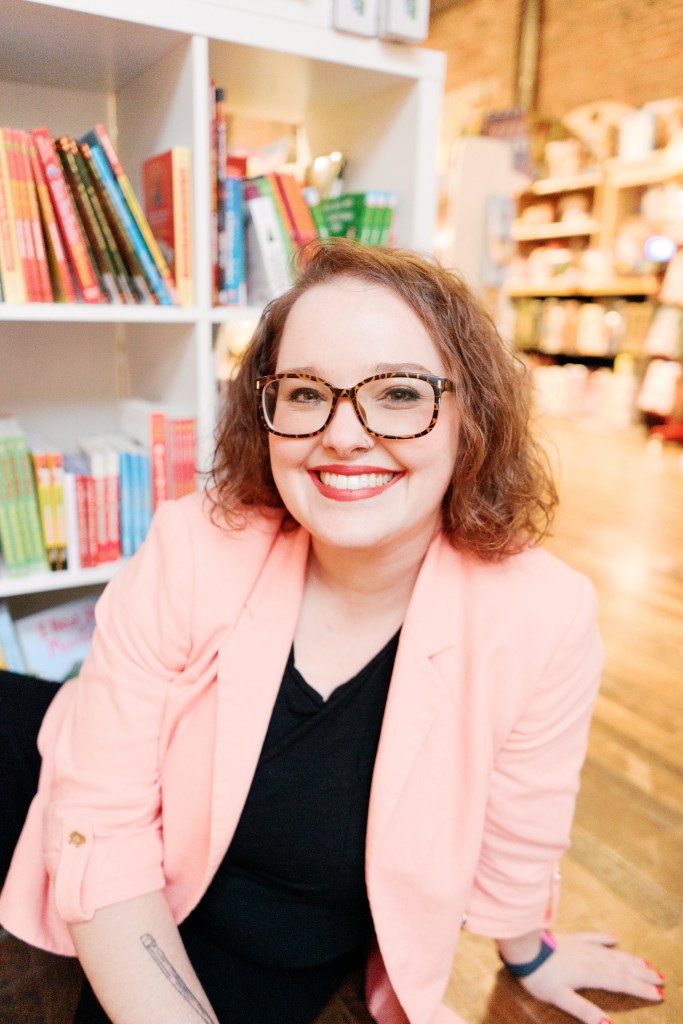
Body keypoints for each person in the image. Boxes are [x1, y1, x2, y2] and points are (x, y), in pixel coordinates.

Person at [0, 239, 665, 1024]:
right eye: (305, 392)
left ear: (471, 417)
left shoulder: (542, 616)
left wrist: (531, 952)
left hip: (261, 950)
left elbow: (520, 825)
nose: (343, 435)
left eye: (399, 393)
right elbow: (100, 824)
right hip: (60, 773)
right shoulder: (192, 543)